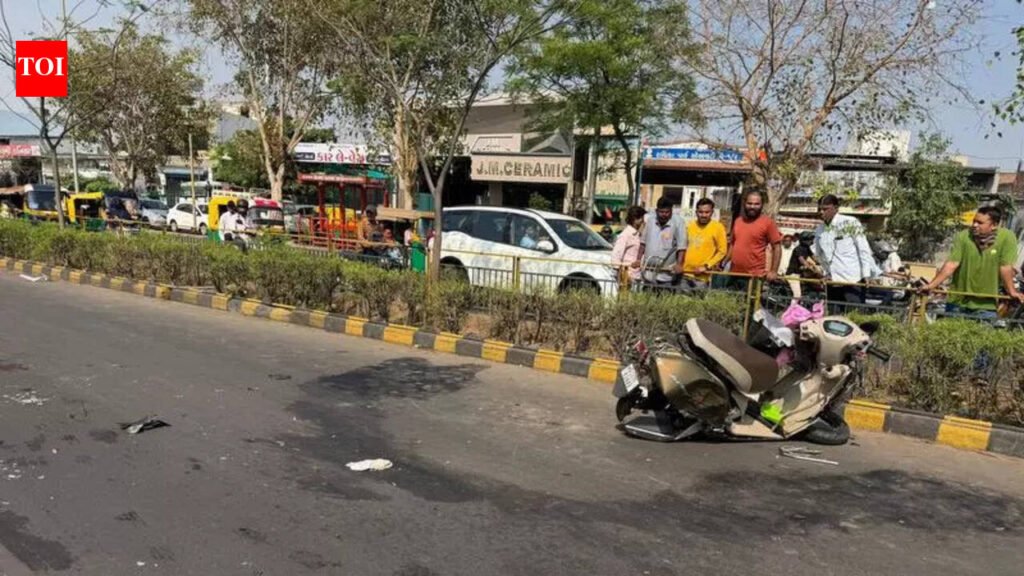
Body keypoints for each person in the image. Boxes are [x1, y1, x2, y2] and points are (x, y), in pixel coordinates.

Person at [921, 206, 1024, 318]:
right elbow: (951, 264)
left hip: (986, 305)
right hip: (957, 302)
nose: (974, 225)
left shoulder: (1007, 238)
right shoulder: (963, 236)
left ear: (994, 225)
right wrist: (931, 285)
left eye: (980, 223)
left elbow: (1005, 267)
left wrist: (1012, 291)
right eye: (974, 221)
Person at [813, 194, 879, 308]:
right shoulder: (820, 229)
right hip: (833, 281)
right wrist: (827, 272)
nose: (821, 212)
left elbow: (863, 249)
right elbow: (819, 254)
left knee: (854, 318)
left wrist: (867, 274)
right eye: (820, 209)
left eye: (825, 209)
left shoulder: (850, 222)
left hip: (853, 280)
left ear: (836, 208)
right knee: (834, 320)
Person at [725, 189, 782, 290]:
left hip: (754, 276)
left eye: (756, 204)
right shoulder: (738, 221)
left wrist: (773, 271)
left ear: (761, 205)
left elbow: (777, 247)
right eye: (749, 203)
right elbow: (733, 244)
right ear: (744, 204)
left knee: (749, 305)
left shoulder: (767, 223)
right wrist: (724, 262)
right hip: (734, 273)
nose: (752, 207)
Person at [638, 196, 687, 286]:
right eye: (661, 212)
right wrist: (638, 260)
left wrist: (679, 264)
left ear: (671, 211)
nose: (664, 215)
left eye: (667, 212)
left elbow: (682, 246)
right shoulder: (650, 220)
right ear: (656, 211)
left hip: (667, 275)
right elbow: (643, 243)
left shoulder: (678, 222)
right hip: (648, 272)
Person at [682, 198, 727, 287]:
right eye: (701, 212)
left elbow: (722, 251)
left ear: (712, 212)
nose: (703, 215)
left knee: (699, 300)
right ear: (696, 212)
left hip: (702, 277)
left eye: (707, 212)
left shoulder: (718, 227)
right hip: (685, 273)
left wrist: (707, 266)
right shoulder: (689, 226)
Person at [611, 205, 646, 283]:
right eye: (642, 218)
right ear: (635, 219)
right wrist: (620, 275)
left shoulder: (638, 234)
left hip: (637, 275)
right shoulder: (626, 235)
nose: (643, 221)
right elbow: (616, 255)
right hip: (627, 277)